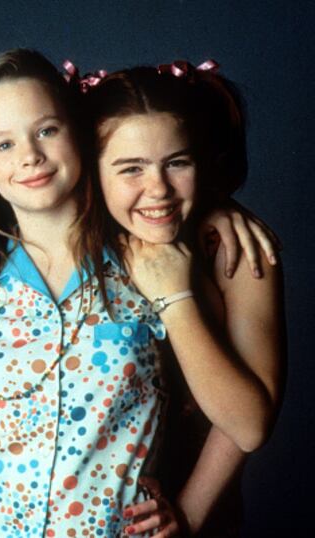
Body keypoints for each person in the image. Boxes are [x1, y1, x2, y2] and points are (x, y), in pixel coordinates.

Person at [0, 49, 281, 538]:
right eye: (3, 144)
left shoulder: (152, 264)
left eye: (46, 131)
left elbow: (242, 418)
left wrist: (214, 210)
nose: (29, 155)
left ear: (76, 135)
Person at [85, 64, 284, 536]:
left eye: (177, 163)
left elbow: (249, 426)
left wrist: (175, 296)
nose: (159, 189)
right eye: (131, 168)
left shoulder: (236, 251)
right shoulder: (78, 245)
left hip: (199, 513)